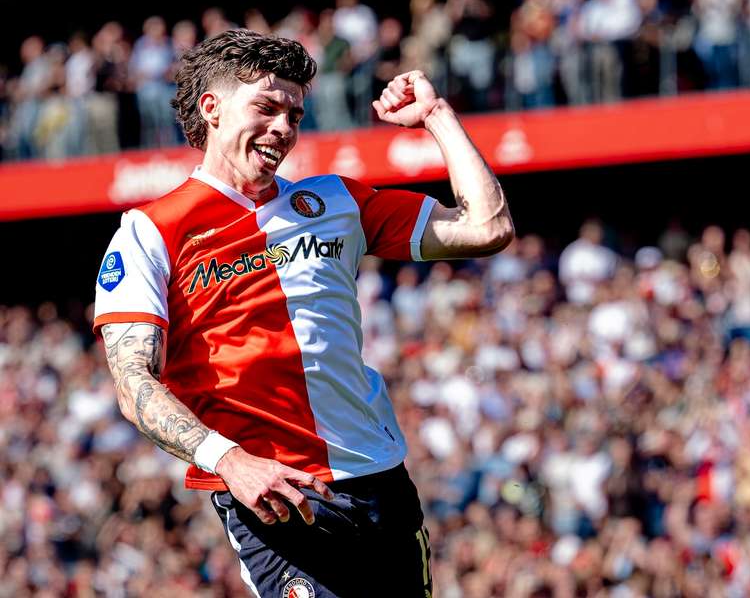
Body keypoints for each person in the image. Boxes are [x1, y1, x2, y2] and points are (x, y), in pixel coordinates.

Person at [93, 29, 513, 598]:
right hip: (277, 496)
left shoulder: (336, 200)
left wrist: (437, 115)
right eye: (265, 107)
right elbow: (132, 381)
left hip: (380, 480)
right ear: (211, 109)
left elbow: (487, 227)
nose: (283, 128)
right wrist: (230, 462)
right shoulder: (151, 230)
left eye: (294, 114)